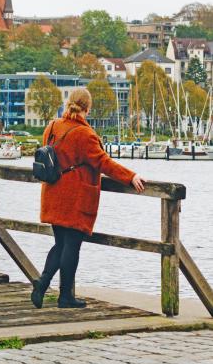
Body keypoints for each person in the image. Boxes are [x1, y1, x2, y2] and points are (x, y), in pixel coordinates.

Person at [31, 87, 145, 310]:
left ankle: (42, 283)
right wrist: (131, 176)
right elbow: (104, 163)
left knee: (60, 244)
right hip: (75, 197)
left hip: (53, 193)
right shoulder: (85, 134)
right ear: (88, 108)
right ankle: (65, 297)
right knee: (71, 246)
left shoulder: (52, 126)